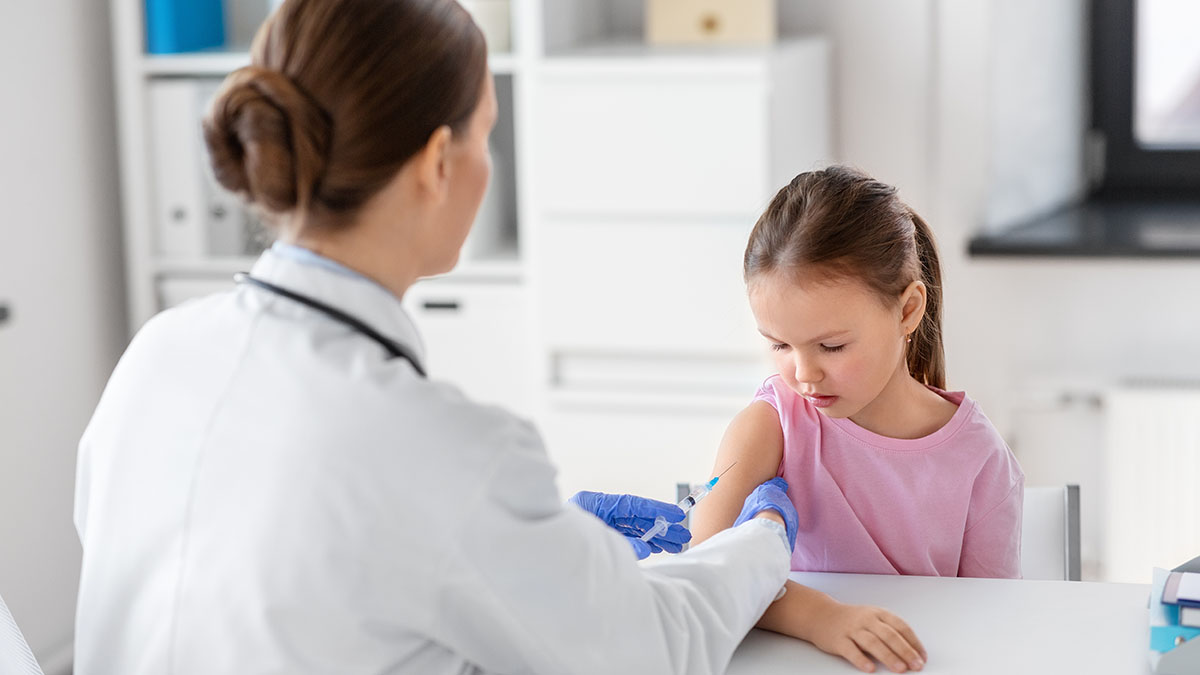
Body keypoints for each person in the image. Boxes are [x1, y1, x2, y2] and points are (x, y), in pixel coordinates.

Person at [71, 1, 800, 673]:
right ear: (435, 164)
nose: (489, 163)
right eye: (488, 132)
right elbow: (652, 646)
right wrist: (764, 532)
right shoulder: (436, 447)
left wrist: (530, 539)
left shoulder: (157, 354)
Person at [690, 166, 1025, 674]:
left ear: (908, 310)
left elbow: (994, 624)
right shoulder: (770, 424)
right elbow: (705, 563)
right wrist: (819, 618)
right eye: (779, 344)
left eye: (832, 346)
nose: (803, 373)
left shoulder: (980, 460)